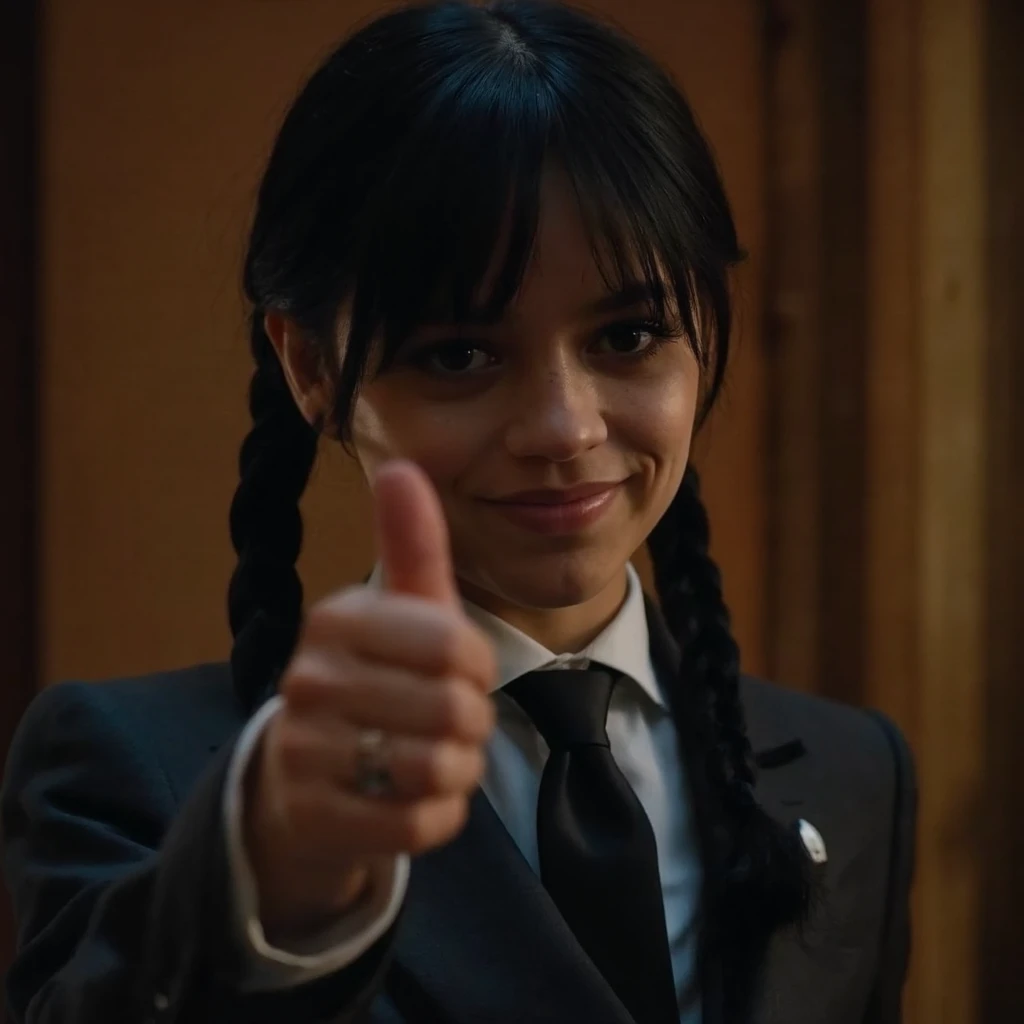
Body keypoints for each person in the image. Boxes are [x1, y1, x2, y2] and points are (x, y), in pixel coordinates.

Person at [1, 2, 915, 1022]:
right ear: (310, 365)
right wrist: (270, 875)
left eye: (628, 335)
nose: (564, 427)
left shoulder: (849, 773)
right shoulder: (147, 770)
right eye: (462, 354)